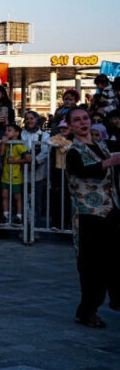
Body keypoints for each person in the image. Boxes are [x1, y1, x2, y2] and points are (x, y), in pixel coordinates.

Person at [64, 107, 120, 328]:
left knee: (114, 257)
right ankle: (87, 311)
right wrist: (109, 162)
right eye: (77, 120)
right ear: (70, 126)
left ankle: (116, 298)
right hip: (88, 215)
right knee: (91, 266)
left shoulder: (101, 146)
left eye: (85, 118)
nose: (82, 122)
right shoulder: (73, 152)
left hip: (111, 210)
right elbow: (84, 171)